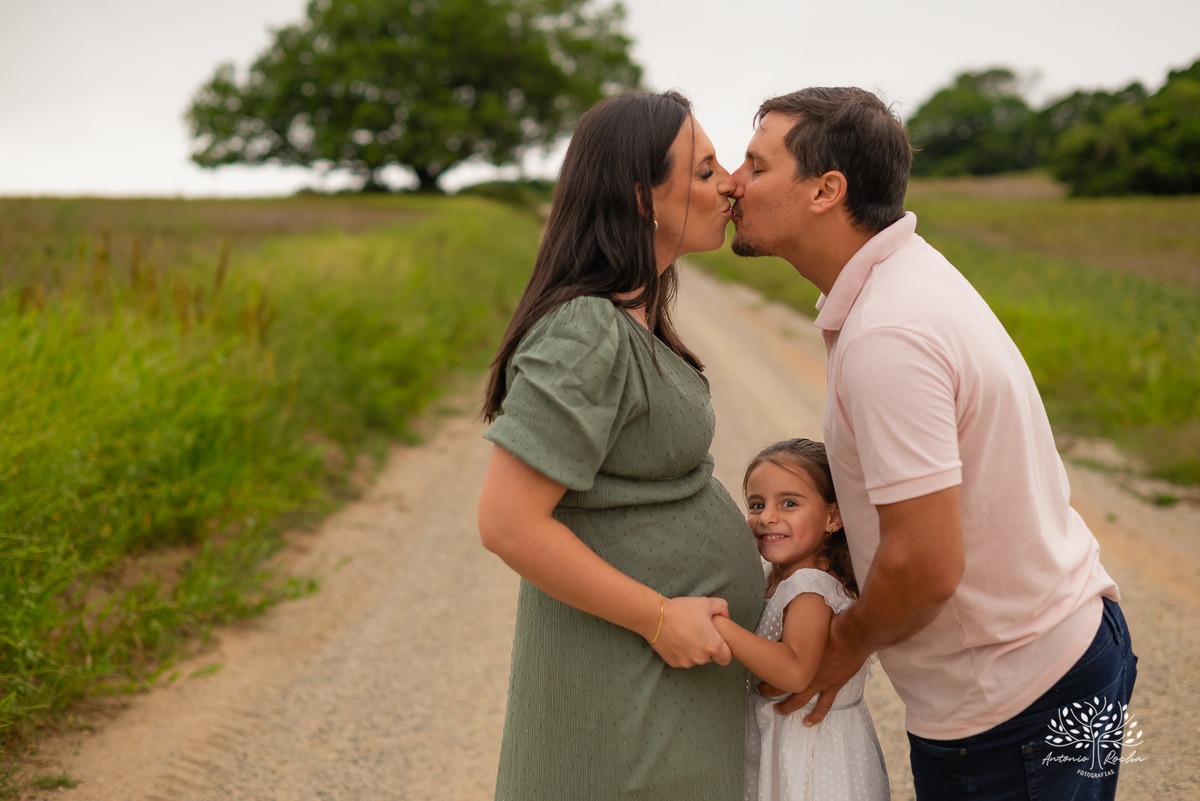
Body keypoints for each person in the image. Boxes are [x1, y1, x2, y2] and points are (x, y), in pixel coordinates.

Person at [726, 87, 1136, 801]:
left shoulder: (889, 331)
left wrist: (842, 647)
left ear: (827, 190)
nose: (734, 181)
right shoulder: (906, 277)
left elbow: (924, 563)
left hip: (1016, 703)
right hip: (1065, 655)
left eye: (756, 166)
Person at [477, 90, 765, 801]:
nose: (730, 181)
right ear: (644, 198)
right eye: (704, 171)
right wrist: (660, 615)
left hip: (662, 690)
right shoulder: (585, 330)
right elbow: (507, 521)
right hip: (622, 698)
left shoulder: (635, 317)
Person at [712, 438, 889, 801]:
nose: (767, 517)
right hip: (783, 737)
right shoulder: (773, 574)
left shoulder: (809, 586)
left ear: (833, 517)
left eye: (788, 503)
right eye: (756, 504)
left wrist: (720, 626)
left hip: (812, 746)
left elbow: (795, 670)